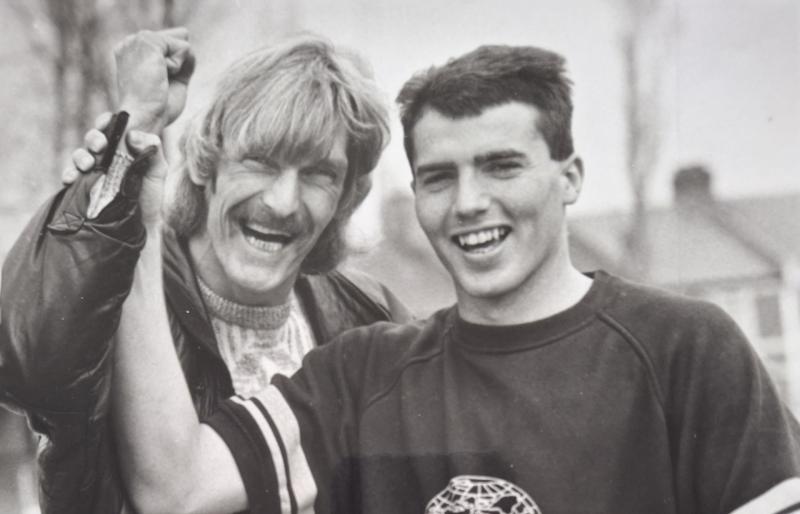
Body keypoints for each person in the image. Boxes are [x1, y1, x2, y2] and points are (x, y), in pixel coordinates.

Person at [8, 43, 800, 513]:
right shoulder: (368, 371)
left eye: (501, 165)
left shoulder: (688, 348)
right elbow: (173, 488)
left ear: (571, 176)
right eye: (439, 176)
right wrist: (130, 209)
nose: (470, 203)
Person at [0, 28, 409, 514]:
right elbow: (27, 361)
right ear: (203, 164)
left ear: (348, 198)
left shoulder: (366, 311)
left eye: (319, 174)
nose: (282, 202)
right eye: (259, 161)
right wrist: (131, 136)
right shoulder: (122, 285)